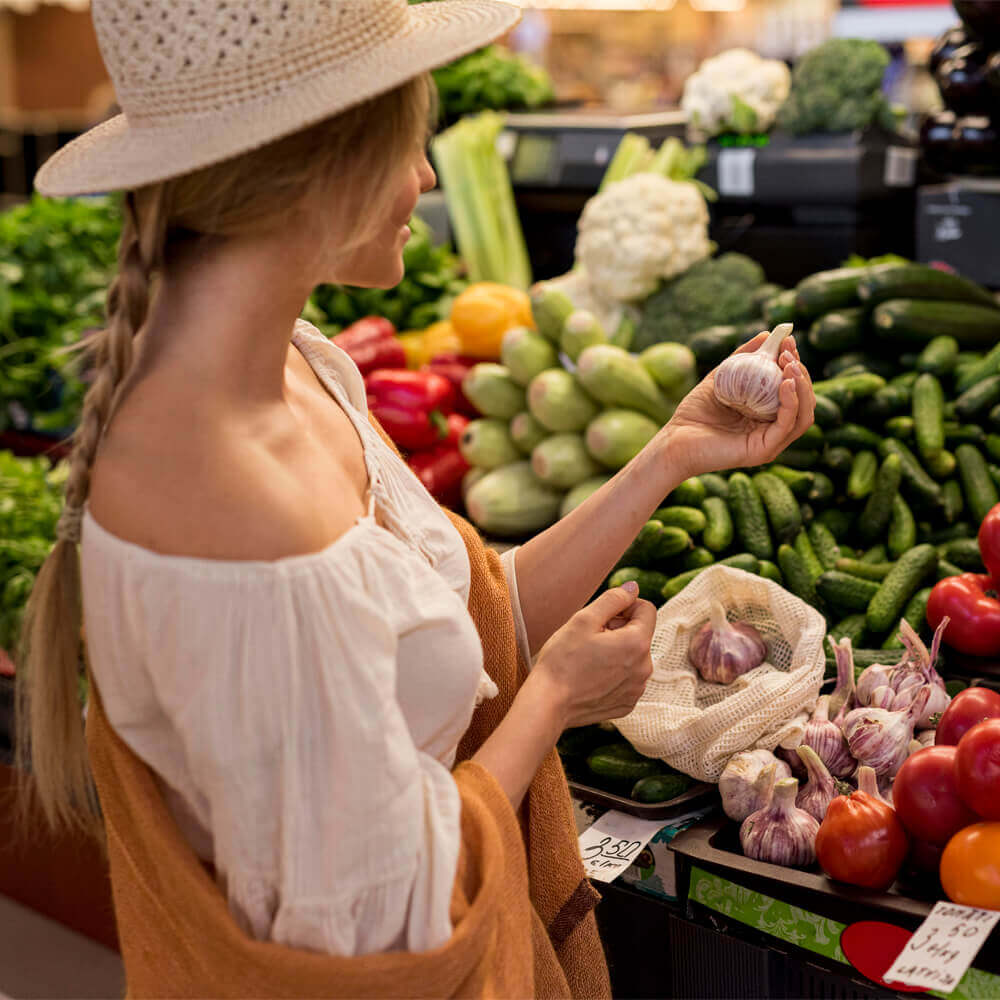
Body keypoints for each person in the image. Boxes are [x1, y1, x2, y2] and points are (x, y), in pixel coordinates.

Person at [18, 0, 815, 995]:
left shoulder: (305, 368)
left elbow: (461, 616)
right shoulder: (226, 498)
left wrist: (670, 454)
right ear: (323, 155)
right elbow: (384, 921)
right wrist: (551, 701)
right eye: (410, 140)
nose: (428, 176)